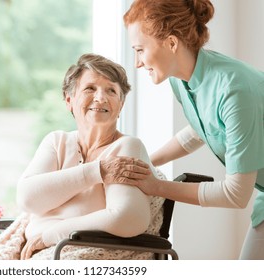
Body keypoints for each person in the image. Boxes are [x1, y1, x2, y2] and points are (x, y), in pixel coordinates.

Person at [0, 53, 164, 260]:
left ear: (121, 104)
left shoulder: (127, 146)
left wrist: (50, 236)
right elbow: (28, 199)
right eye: (90, 88)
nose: (101, 97)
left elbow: (128, 218)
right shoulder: (57, 142)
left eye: (111, 90)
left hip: (74, 254)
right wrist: (97, 171)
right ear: (69, 100)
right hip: (32, 253)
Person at [122, 0, 264, 259]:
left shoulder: (234, 90)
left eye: (140, 50)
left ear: (172, 43)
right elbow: (201, 129)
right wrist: (144, 163)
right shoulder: (182, 80)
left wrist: (156, 186)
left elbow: (235, 194)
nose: (137, 63)